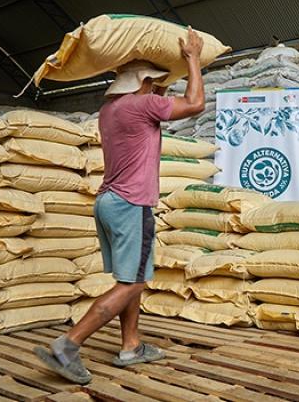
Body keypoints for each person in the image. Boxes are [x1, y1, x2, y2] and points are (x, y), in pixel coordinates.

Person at [34, 26, 206, 384]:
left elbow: (159, 104)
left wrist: (158, 87)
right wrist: (191, 60)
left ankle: (131, 345)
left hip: (108, 202)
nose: (159, 89)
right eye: (154, 83)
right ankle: (69, 344)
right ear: (143, 84)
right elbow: (195, 104)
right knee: (131, 284)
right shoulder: (143, 105)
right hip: (132, 204)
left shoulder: (110, 109)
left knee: (132, 278)